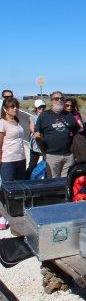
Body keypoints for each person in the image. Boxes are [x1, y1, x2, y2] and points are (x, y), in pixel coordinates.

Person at [34, 91, 78, 178]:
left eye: (62, 99)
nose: (59, 100)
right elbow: (37, 135)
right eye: (56, 99)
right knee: (53, 183)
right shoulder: (44, 115)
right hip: (52, 156)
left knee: (66, 182)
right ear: (51, 101)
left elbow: (76, 132)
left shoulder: (69, 115)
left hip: (68, 156)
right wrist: (44, 153)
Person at [0, 98, 26, 230]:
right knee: (7, 189)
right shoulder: (2, 123)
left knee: (20, 188)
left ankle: (18, 213)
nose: (15, 108)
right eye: (11, 107)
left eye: (16, 106)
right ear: (5, 109)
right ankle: (3, 217)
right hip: (8, 160)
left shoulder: (17, 122)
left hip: (20, 159)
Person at [25, 99, 46, 179]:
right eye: (40, 107)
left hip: (45, 144)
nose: (42, 109)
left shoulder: (47, 117)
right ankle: (27, 179)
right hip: (35, 144)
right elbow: (33, 130)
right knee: (32, 164)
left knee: (46, 162)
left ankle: (40, 178)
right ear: (36, 108)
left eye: (43, 107)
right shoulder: (32, 118)